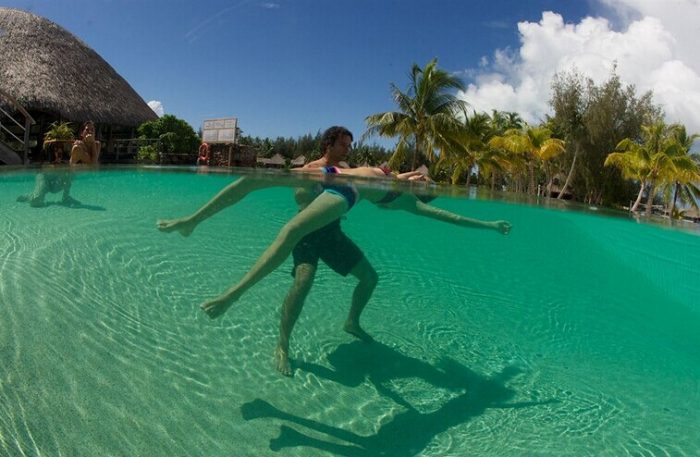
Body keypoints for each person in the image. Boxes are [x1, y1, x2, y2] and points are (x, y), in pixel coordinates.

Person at [157, 129, 511, 346]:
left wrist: (490, 224)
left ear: (421, 192)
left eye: (424, 182)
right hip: (334, 178)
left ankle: (234, 295)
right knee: (253, 182)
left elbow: (452, 217)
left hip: (347, 194)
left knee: (298, 235)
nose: (421, 178)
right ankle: (191, 220)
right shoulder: (385, 176)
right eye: (420, 176)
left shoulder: (406, 201)